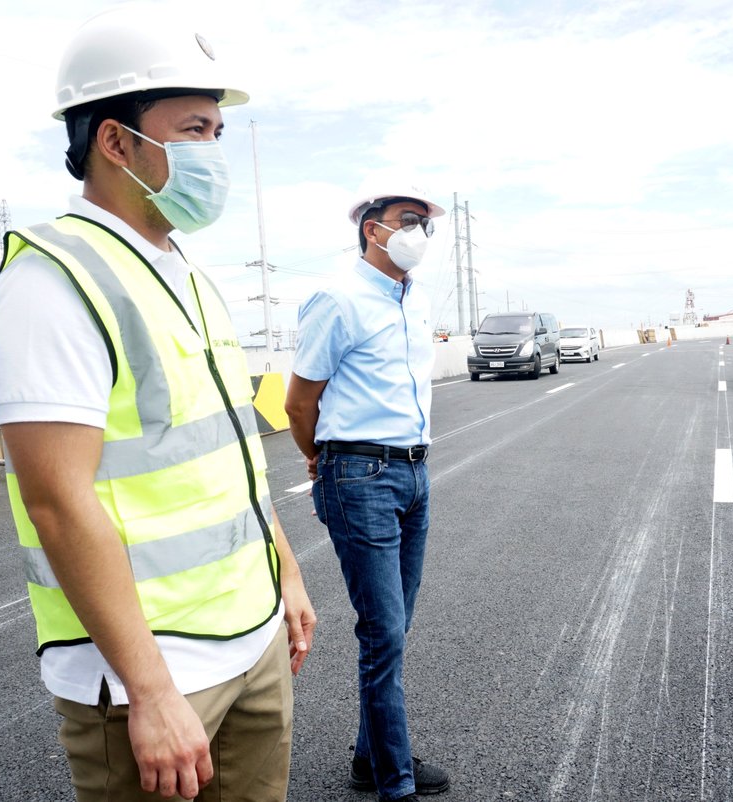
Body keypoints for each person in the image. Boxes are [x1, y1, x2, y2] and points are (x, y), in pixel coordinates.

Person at [0, 7, 315, 801]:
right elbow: (56, 501)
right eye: (195, 130)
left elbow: (227, 457)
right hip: (149, 675)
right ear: (117, 142)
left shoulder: (180, 271)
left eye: (218, 133)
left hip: (248, 639)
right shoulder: (52, 284)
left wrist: (283, 575)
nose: (213, 152)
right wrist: (149, 692)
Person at [285, 186, 449, 802]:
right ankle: (395, 784)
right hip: (360, 477)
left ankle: (369, 756)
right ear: (372, 231)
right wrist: (321, 457)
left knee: (396, 627)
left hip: (413, 472)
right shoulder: (338, 299)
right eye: (409, 222)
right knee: (383, 632)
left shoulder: (417, 298)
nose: (419, 234)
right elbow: (300, 402)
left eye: (426, 225)